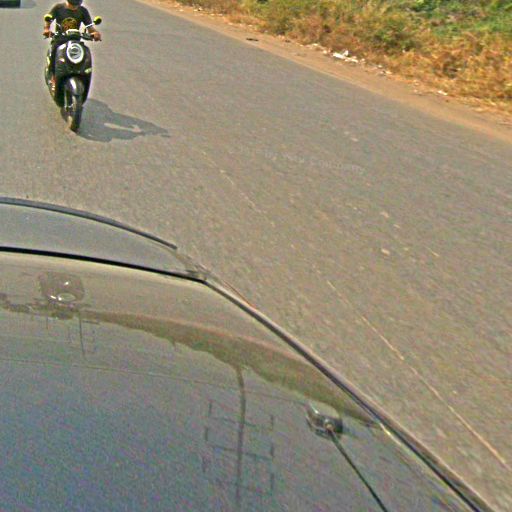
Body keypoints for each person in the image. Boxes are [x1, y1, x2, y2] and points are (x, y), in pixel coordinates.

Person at [43, 0, 102, 86]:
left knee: (84, 54)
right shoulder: (58, 8)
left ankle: (82, 75)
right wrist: (47, 29)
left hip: (75, 40)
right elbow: (49, 20)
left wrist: (95, 33)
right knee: (54, 52)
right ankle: (53, 77)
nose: (74, 7)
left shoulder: (83, 11)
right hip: (60, 39)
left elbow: (90, 27)